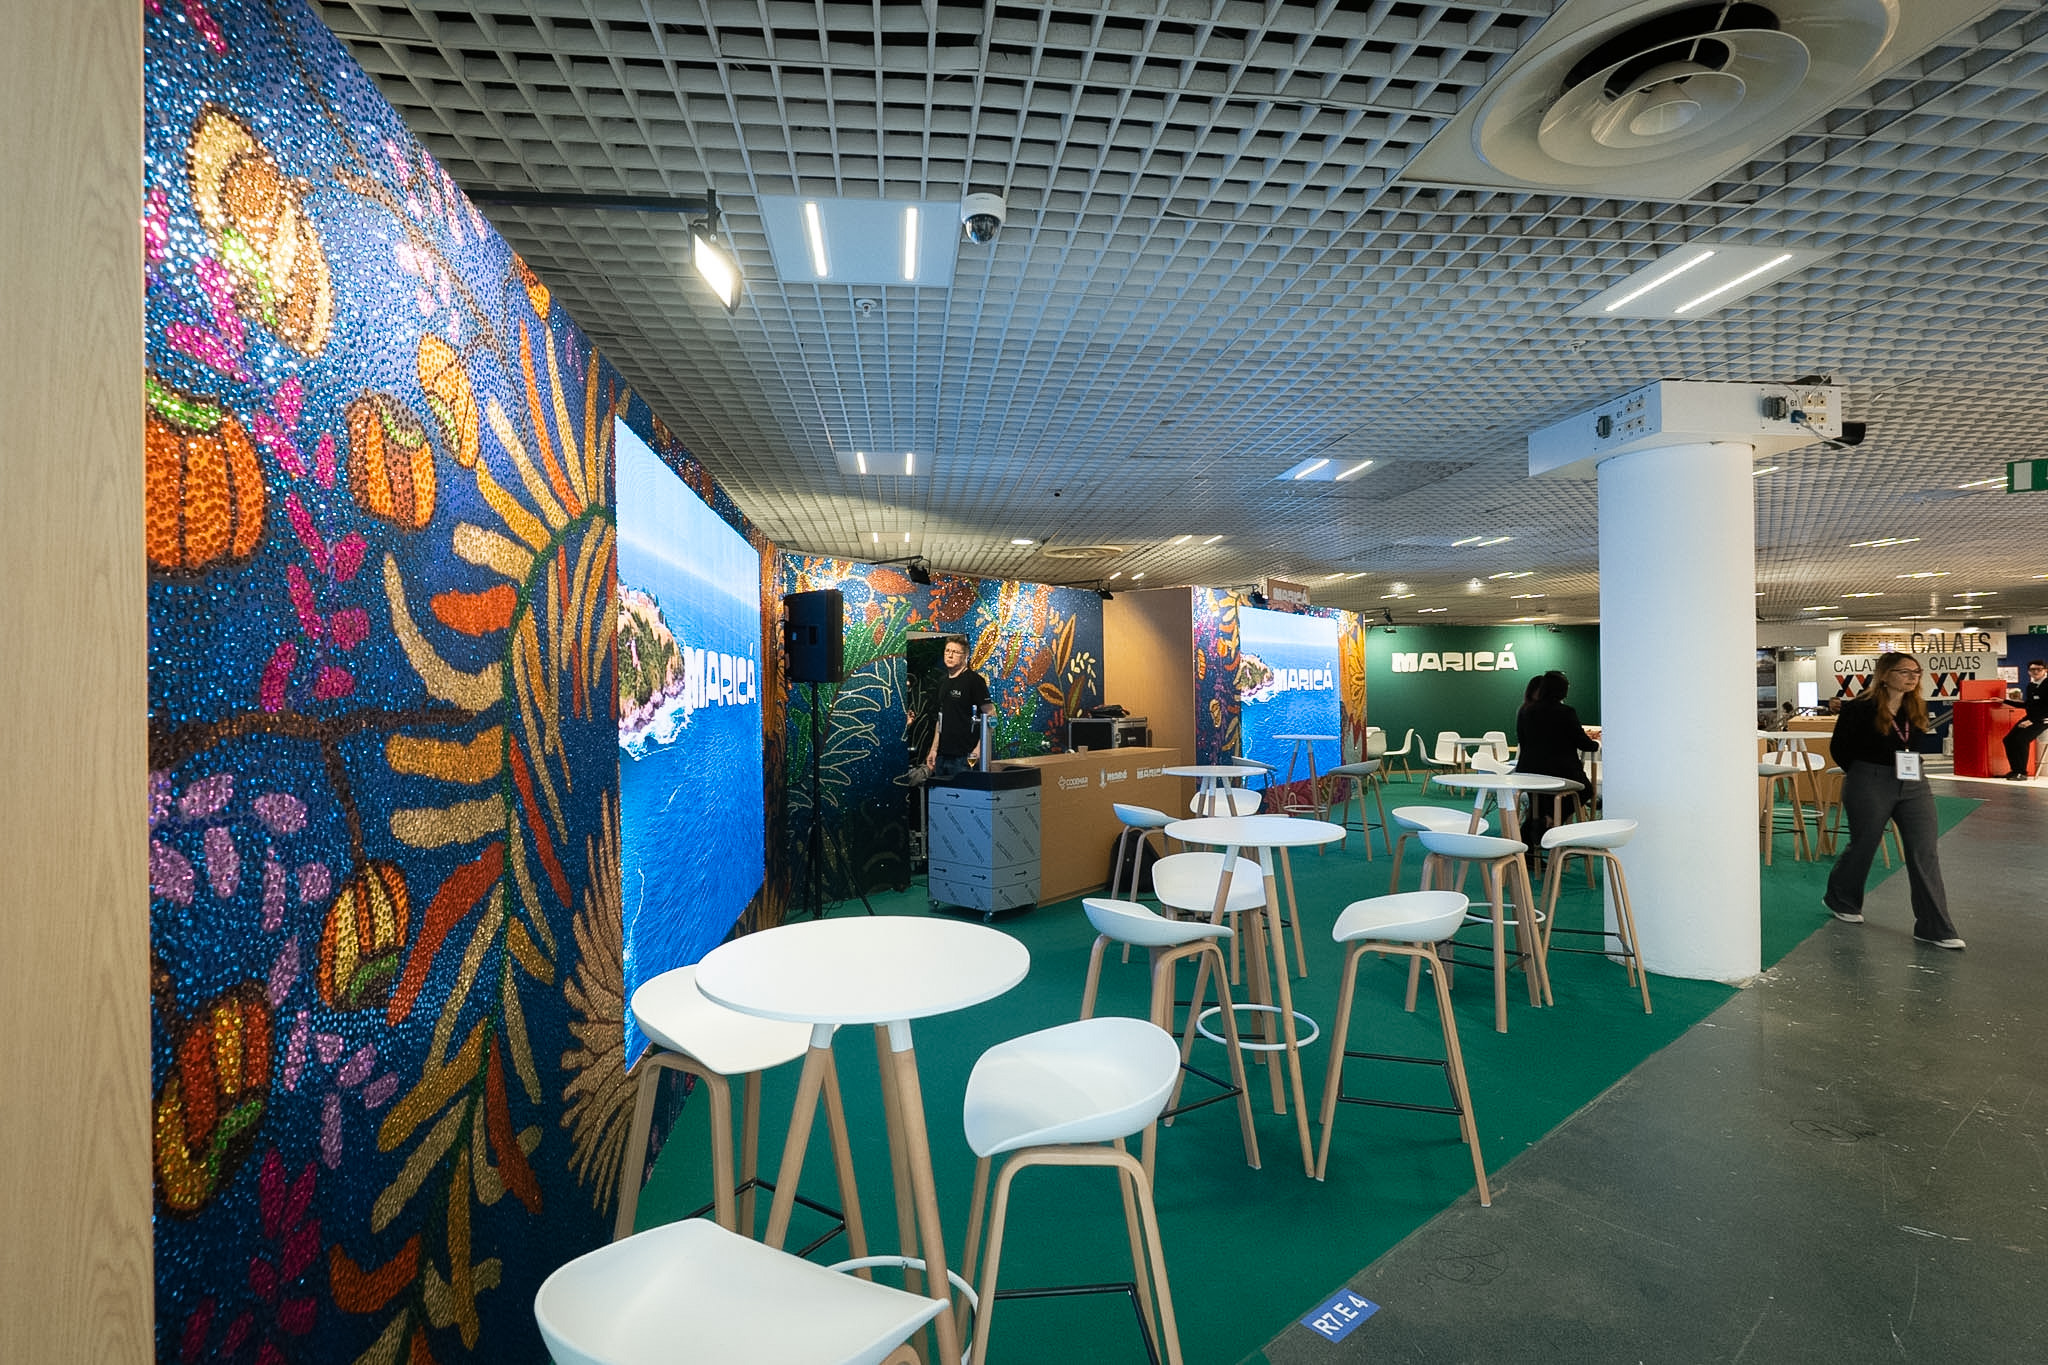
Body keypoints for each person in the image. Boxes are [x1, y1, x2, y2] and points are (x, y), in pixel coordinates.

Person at [1823, 652, 1964, 949]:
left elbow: (1913, 743)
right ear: (1885, 675)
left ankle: (1934, 927)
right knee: (1865, 843)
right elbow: (1840, 748)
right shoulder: (1859, 708)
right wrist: (1863, 773)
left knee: (1924, 849)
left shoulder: (1916, 706)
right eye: (1904, 672)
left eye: (1916, 672)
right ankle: (1841, 897)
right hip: (1869, 779)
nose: (1912, 677)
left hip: (1913, 780)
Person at [1514, 670, 1598, 850]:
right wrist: (1595, 745)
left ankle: (1528, 849)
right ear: (1562, 690)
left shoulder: (1525, 710)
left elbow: (1523, 741)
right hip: (1561, 772)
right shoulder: (1566, 712)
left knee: (1537, 806)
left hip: (1528, 772)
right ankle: (1549, 820)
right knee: (1585, 790)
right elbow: (1583, 743)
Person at [925, 636, 991, 779]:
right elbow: (940, 718)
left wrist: (979, 749)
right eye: (947, 651)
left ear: (965, 656)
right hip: (942, 756)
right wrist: (934, 749)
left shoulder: (974, 681)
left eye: (955, 652)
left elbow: (991, 716)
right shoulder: (943, 681)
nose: (950, 655)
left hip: (965, 756)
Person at [2002, 658, 2047, 779]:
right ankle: (2015, 770)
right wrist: (2004, 701)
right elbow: (2027, 705)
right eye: (2032, 669)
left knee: (2022, 740)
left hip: (2043, 719)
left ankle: (2022, 772)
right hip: (2030, 717)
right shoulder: (2031, 686)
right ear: (2028, 672)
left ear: (2045, 670)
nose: (2035, 672)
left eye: (2039, 669)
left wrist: (2032, 721)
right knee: (2008, 740)